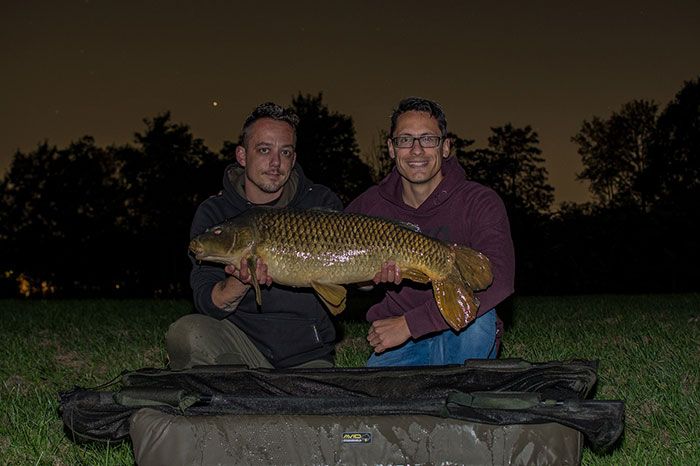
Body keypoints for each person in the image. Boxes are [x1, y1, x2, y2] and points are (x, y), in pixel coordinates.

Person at [166, 102, 342, 370]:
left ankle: (241, 386)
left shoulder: (319, 201)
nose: (275, 163)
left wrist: (376, 276)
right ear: (242, 155)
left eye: (285, 152)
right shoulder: (216, 212)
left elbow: (354, 272)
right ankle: (241, 379)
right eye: (264, 150)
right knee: (186, 334)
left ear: (294, 159)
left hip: (307, 353)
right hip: (241, 344)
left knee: (310, 395)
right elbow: (205, 300)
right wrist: (239, 282)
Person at [345, 97, 515, 366]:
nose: (416, 150)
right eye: (405, 140)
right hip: (400, 341)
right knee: (376, 392)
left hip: (460, 330)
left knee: (477, 321)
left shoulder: (479, 201)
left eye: (427, 139)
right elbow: (345, 269)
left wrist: (410, 324)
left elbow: (499, 280)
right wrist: (366, 278)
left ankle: (458, 381)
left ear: (445, 147)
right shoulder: (369, 205)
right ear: (391, 148)